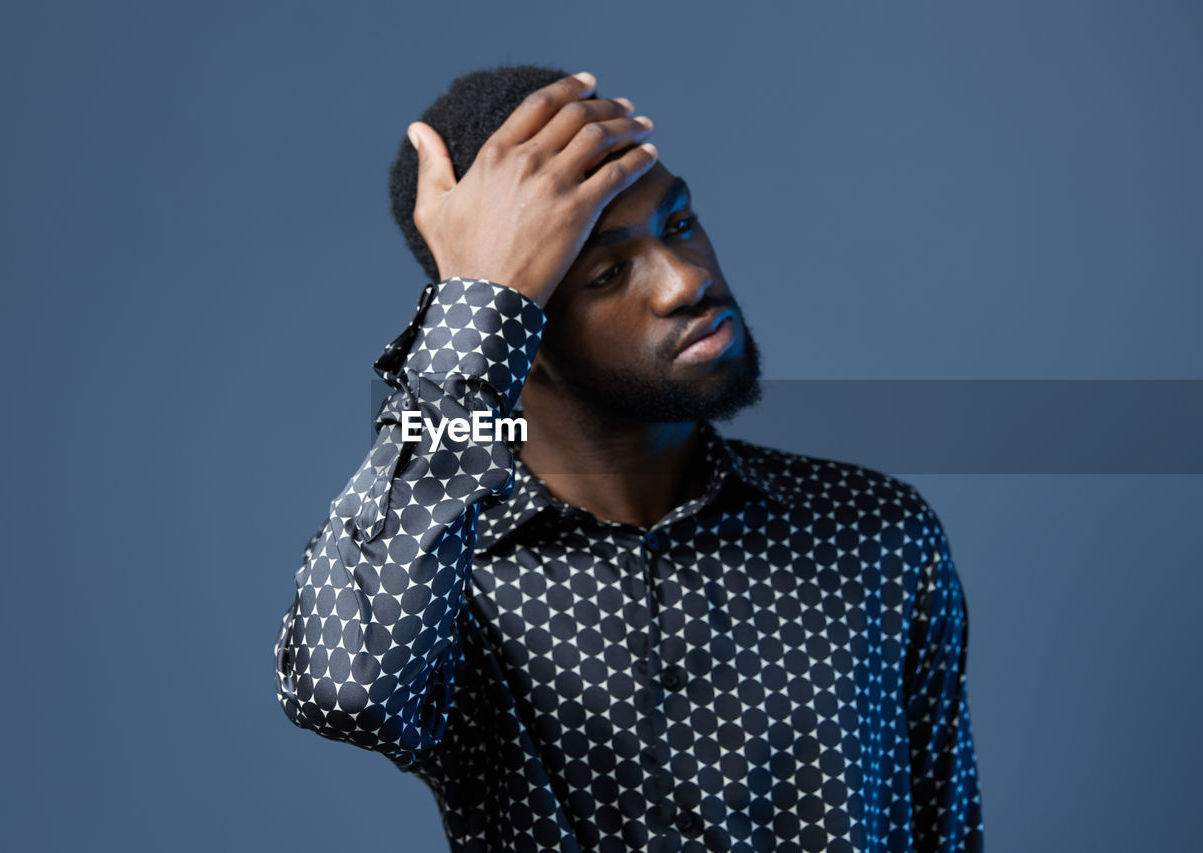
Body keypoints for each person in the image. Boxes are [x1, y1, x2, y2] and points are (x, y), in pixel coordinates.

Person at [273, 64, 984, 853]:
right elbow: (344, 687)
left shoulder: (873, 532)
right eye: (608, 272)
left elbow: (944, 830)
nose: (687, 283)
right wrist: (474, 300)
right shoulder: (449, 574)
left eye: (680, 224)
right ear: (515, 327)